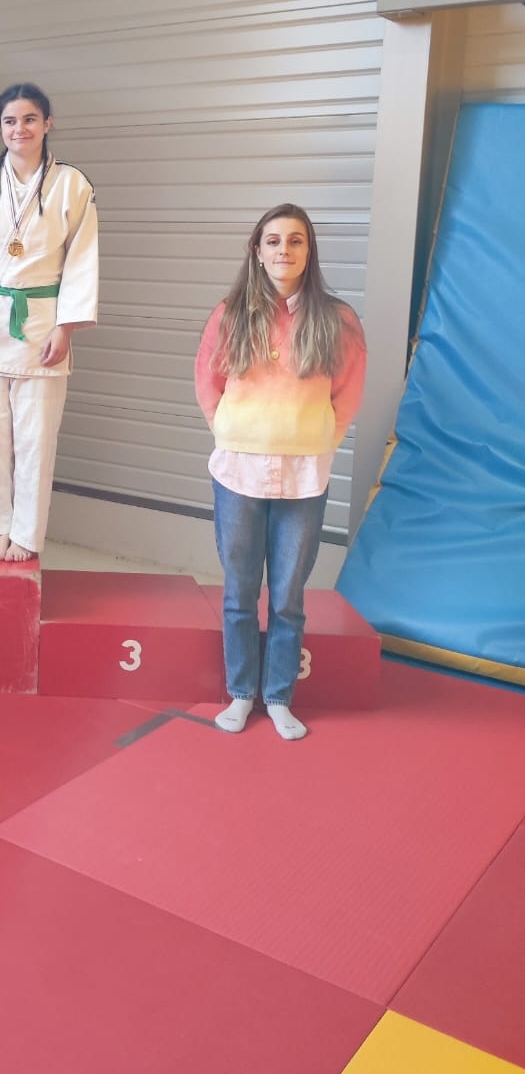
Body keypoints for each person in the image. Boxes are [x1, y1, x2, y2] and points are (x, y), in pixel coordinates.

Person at [195, 203, 367, 740]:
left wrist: (316, 442)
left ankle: (278, 697)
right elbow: (208, 383)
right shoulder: (230, 314)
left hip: (304, 475)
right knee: (240, 591)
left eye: (295, 241)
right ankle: (242, 692)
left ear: (308, 251)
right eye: (273, 241)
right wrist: (233, 433)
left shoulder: (338, 320)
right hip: (238, 471)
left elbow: (347, 394)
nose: (283, 251)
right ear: (257, 250)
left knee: (289, 596)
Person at [0, 84, 98, 562]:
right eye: (10, 121)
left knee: (35, 440)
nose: (20, 129)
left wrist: (66, 328)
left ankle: (26, 535)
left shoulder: (72, 185)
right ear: (0, 127)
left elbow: (81, 259)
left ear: (48, 123)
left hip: (42, 324)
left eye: (30, 119)